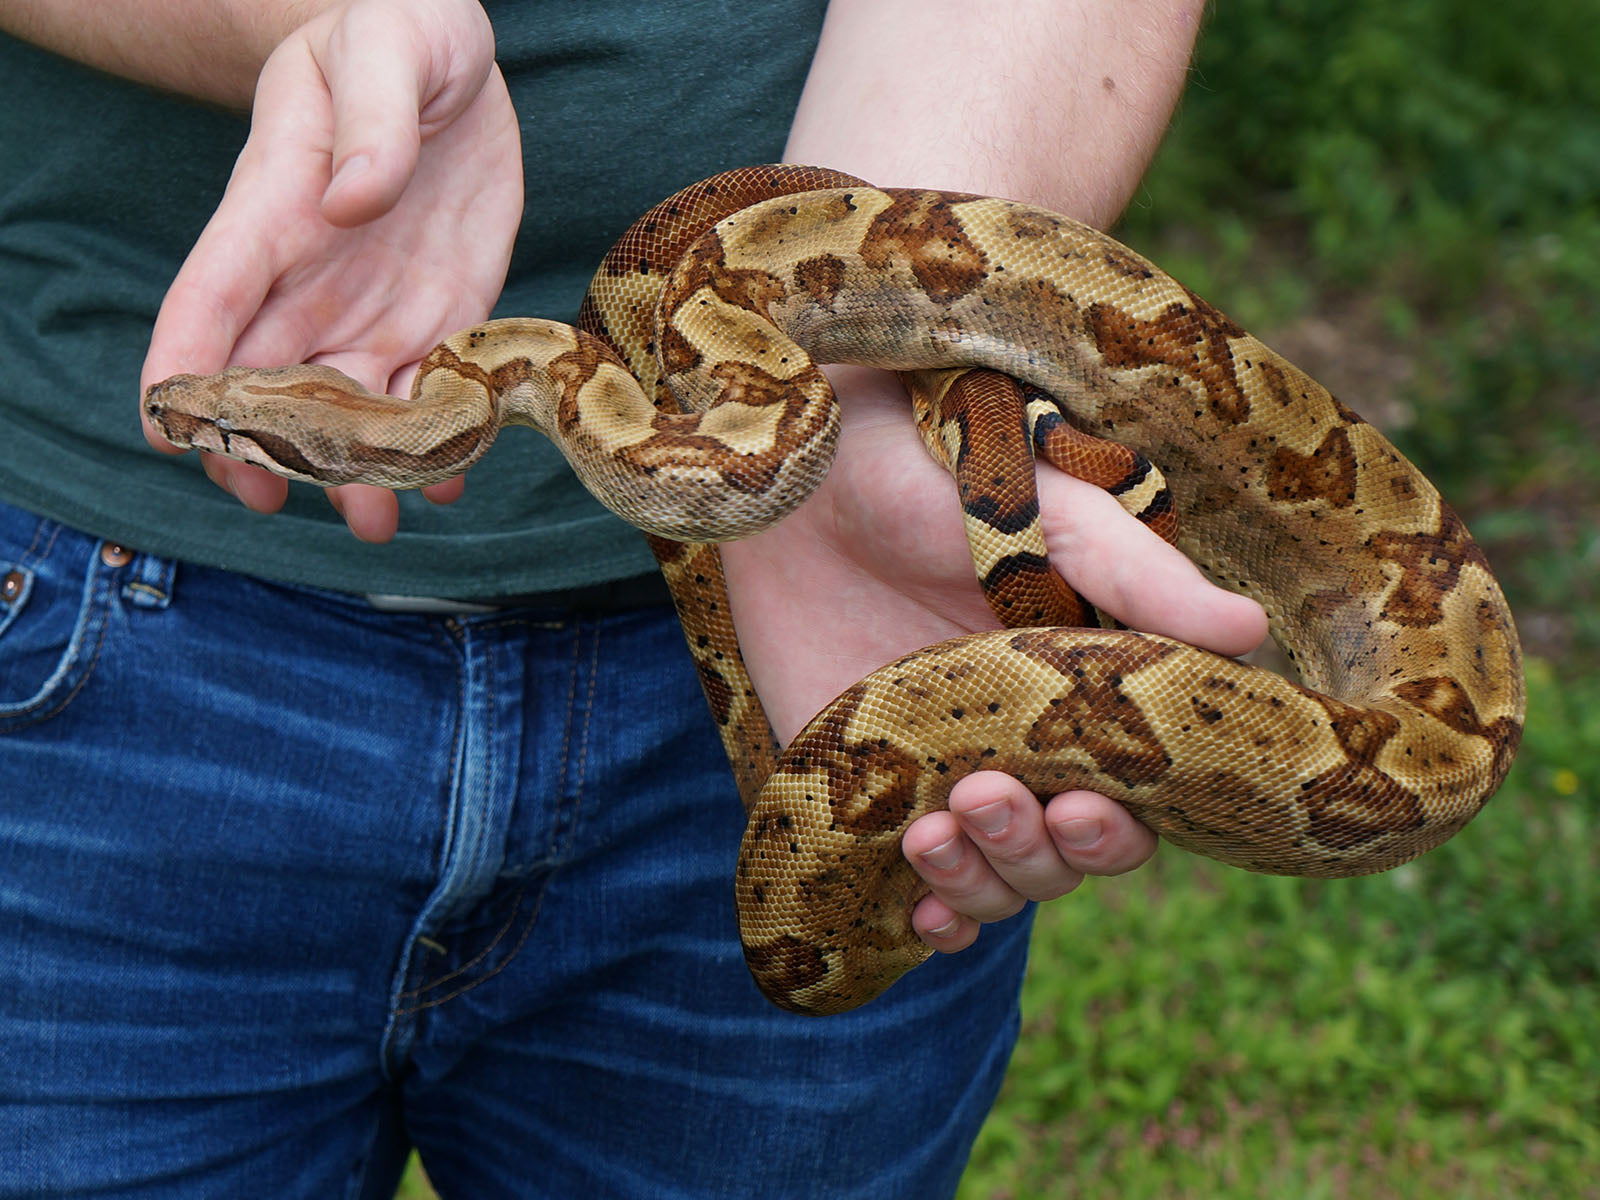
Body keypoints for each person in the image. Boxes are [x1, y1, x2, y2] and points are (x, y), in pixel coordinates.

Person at [0, 1, 1263, 1195]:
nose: (197, 415)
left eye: (234, 417)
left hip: (795, 640)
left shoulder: (520, 393)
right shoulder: (520, 385)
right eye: (236, 422)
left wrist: (876, 407)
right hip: (93, 645)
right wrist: (330, 29)